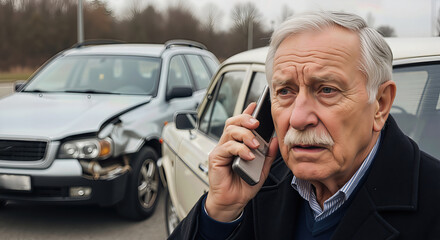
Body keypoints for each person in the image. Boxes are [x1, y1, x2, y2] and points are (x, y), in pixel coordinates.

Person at [169, 11, 440, 240]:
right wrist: (219, 212)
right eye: (285, 91)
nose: (297, 118)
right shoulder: (257, 183)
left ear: (380, 104)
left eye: (326, 90)